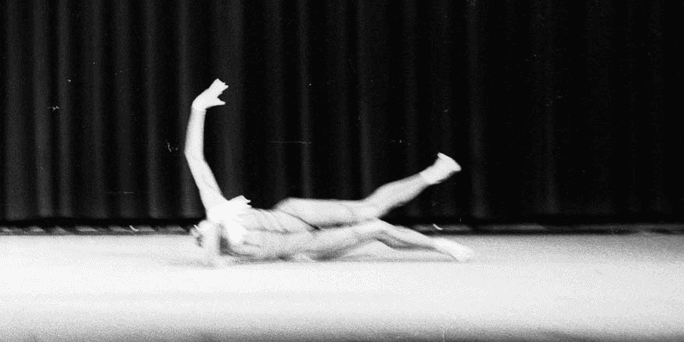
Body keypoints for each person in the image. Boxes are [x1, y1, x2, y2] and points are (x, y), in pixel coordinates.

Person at [183, 78, 472, 263]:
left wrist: (199, 108)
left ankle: (432, 174)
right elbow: (212, 260)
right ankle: (440, 246)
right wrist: (214, 233)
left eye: (197, 228)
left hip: (292, 214)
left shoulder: (218, 209)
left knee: (367, 210)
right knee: (375, 228)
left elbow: (194, 157)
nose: (197, 230)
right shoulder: (231, 251)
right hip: (304, 246)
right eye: (199, 235)